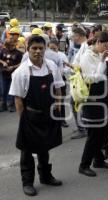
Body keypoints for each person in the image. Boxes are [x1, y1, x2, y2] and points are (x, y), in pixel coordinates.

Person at [9, 36, 64, 196]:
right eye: (34, 48)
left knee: (44, 147)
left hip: (48, 114)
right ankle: (27, 182)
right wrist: (22, 119)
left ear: (45, 49)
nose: (38, 51)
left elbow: (59, 88)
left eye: (41, 48)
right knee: (27, 151)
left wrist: (58, 107)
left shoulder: (51, 66)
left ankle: (46, 176)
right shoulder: (21, 72)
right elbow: (18, 98)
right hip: (30, 115)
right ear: (28, 49)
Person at [78, 32, 108, 177]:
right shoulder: (87, 56)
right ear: (98, 42)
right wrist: (102, 62)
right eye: (105, 46)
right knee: (93, 133)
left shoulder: (99, 55)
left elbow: (104, 75)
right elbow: (92, 78)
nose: (106, 49)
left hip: (102, 96)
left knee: (101, 131)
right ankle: (84, 165)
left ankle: (98, 159)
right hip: (92, 97)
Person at [0, 39, 23, 112]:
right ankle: (3, 104)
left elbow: (21, 63)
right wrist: (3, 62)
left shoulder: (18, 53)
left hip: (14, 74)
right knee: (4, 90)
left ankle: (10, 105)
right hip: (4, 73)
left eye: (12, 45)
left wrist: (12, 67)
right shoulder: (3, 50)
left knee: (11, 90)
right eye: (9, 46)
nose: (11, 47)